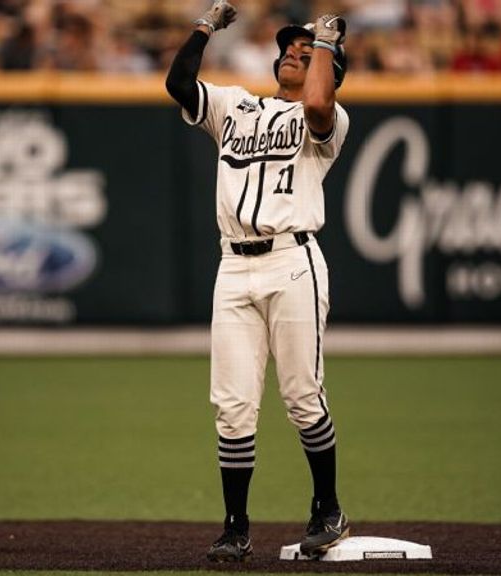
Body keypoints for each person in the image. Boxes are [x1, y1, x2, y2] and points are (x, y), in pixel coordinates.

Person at [165, 0, 350, 564]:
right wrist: (206, 25)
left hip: (292, 261)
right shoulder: (236, 107)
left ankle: (328, 509)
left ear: (330, 70)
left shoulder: (327, 120)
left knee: (301, 395)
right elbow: (178, 83)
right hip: (233, 266)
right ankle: (235, 526)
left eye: (306, 53)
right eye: (289, 50)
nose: (294, 54)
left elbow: (319, 98)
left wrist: (324, 43)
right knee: (232, 404)